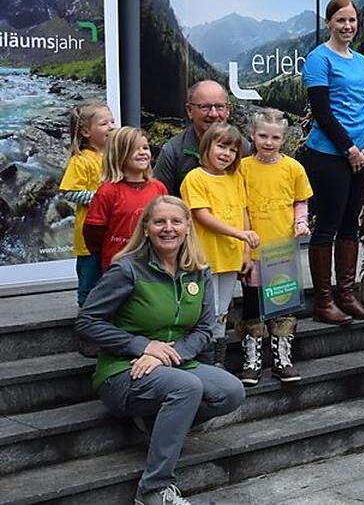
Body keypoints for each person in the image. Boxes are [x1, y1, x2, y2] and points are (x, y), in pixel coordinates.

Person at [76, 196, 244, 505]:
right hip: (123, 370)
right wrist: (143, 346)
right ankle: (153, 490)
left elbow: (205, 330)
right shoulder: (127, 269)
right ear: (147, 228)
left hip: (173, 363)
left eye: (176, 221)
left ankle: (156, 424)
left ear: (187, 227)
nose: (168, 228)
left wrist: (167, 354)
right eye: (159, 222)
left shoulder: (199, 270)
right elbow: (87, 322)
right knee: (187, 387)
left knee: (231, 391)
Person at [302, 0, 364, 325]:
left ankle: (346, 295)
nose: (347, 26)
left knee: (351, 223)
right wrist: (349, 147)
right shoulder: (319, 59)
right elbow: (321, 110)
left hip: (361, 155)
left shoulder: (361, 60)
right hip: (330, 156)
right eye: (341, 21)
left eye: (352, 21)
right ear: (329, 23)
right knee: (328, 225)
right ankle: (323, 300)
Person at [238, 109, 313, 386]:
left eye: (275, 137)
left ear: (283, 139)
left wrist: (300, 223)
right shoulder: (243, 167)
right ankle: (251, 360)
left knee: (282, 304)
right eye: (263, 136)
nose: (268, 142)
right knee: (252, 305)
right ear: (253, 135)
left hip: (282, 250)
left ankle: (283, 359)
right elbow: (238, 204)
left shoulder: (293, 168)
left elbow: (300, 201)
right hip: (254, 251)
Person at [180, 124, 258, 368]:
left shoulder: (235, 178)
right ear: (207, 147)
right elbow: (203, 216)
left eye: (233, 150)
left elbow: (243, 211)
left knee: (222, 310)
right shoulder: (195, 178)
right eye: (221, 146)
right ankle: (201, 359)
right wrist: (239, 234)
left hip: (230, 256)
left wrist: (246, 250)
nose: (227, 154)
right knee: (206, 310)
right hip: (205, 257)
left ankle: (218, 361)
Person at [60, 101, 115, 356]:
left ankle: (110, 330)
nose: (111, 127)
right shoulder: (82, 160)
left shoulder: (114, 156)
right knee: (89, 284)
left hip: (114, 237)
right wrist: (99, 197)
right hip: (90, 237)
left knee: (112, 282)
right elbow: (68, 191)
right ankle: (88, 332)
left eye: (112, 121)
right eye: (104, 123)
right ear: (85, 131)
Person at [84, 127, 170, 273]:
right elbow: (93, 231)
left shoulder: (158, 188)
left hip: (154, 263)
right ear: (120, 154)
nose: (143, 152)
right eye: (135, 149)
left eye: (145, 148)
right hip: (119, 265)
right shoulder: (108, 191)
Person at [153, 80, 249, 197]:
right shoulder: (172, 152)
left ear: (228, 110)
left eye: (219, 107)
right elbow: (159, 200)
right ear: (189, 110)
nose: (213, 114)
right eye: (205, 107)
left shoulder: (243, 147)